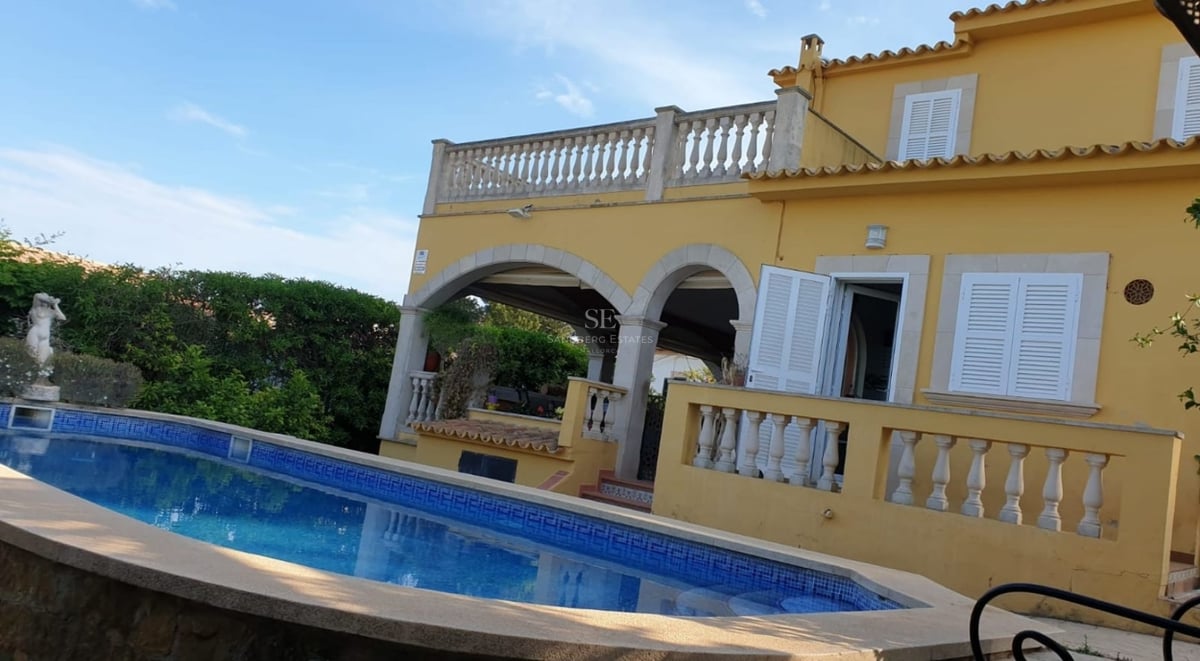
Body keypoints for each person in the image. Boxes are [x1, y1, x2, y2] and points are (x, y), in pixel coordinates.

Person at [25, 293, 66, 367]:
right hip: (35, 334)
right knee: (32, 354)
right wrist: (53, 301)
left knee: (41, 360)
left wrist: (56, 305)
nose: (43, 303)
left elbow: (62, 318)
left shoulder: (50, 312)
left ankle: (41, 376)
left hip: (45, 338)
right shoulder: (35, 308)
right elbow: (37, 296)